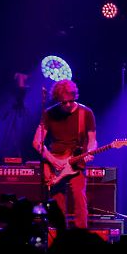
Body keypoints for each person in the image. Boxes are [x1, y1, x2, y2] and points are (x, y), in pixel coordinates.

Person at [32, 79, 97, 229]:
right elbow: (37, 142)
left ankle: (81, 234)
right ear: (57, 100)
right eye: (63, 102)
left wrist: (89, 152)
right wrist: (52, 160)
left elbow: (93, 140)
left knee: (79, 196)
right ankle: (60, 234)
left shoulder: (86, 113)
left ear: (75, 96)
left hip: (76, 161)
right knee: (57, 200)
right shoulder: (49, 114)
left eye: (71, 101)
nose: (68, 105)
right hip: (54, 163)